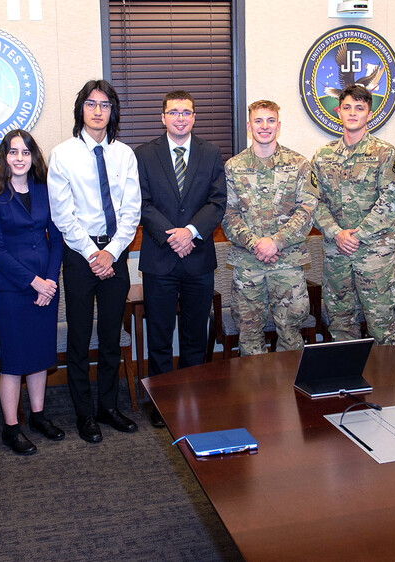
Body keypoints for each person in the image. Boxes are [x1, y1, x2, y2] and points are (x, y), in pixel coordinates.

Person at [47, 79, 141, 443]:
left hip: (115, 254)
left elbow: (131, 210)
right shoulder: (63, 154)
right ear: (81, 110)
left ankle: (107, 406)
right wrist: (91, 253)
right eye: (91, 104)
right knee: (79, 337)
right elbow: (63, 213)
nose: (98, 110)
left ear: (112, 111)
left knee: (110, 339)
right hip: (79, 256)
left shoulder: (124, 155)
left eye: (105, 104)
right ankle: (84, 414)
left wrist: (111, 253)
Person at [135, 90, 226, 427]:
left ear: (194, 117)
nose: (180, 118)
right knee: (159, 334)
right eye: (174, 112)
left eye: (186, 112)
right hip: (160, 257)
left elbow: (217, 202)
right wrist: (173, 235)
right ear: (163, 117)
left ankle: (194, 396)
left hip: (198, 258)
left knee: (194, 334)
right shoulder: (144, 154)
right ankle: (163, 402)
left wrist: (190, 231)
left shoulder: (211, 153)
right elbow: (141, 203)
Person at [0, 129, 65, 454]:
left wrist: (50, 281)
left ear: (33, 156)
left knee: (40, 356)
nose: (19, 158)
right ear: (4, 156)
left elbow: (56, 238)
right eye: (13, 152)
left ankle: (38, 416)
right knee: (14, 361)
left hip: (46, 288)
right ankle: (11, 427)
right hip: (12, 290)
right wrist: (34, 282)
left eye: (25, 152)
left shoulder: (44, 190)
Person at [312, 85, 395, 345]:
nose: (353, 113)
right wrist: (337, 233)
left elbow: (391, 201)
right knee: (340, 327)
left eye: (360, 108)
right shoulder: (322, 156)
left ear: (370, 113)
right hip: (337, 255)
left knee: (382, 328)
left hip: (375, 257)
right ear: (338, 111)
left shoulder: (386, 153)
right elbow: (313, 201)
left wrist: (358, 236)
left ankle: (387, 384)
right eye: (348, 107)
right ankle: (347, 383)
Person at [222, 100, 316, 355]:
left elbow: (307, 210)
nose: (265, 126)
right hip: (248, 266)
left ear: (279, 125)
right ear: (250, 126)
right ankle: (254, 395)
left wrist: (277, 241)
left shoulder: (298, 164)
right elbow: (228, 215)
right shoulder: (233, 166)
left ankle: (292, 393)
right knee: (249, 337)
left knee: (291, 335)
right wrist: (256, 244)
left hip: (287, 264)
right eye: (259, 121)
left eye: (270, 120)